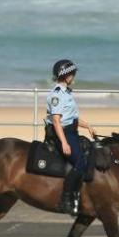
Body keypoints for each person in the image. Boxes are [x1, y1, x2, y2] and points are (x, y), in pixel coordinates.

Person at [45, 59, 97, 215]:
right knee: (80, 162)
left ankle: (80, 194)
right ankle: (65, 200)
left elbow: (72, 118)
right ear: (66, 75)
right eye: (72, 74)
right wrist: (64, 143)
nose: (74, 76)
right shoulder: (57, 95)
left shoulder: (67, 93)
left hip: (72, 132)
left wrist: (87, 126)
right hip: (62, 134)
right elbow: (56, 121)